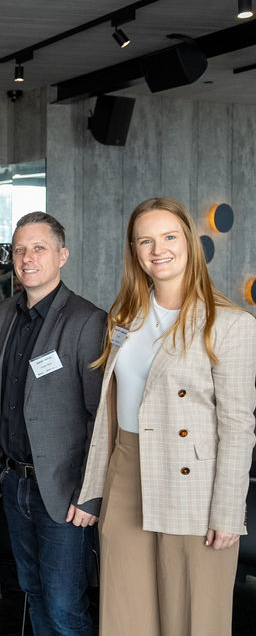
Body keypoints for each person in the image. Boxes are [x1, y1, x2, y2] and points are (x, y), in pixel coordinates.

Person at [78, 197, 256, 634]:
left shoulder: (231, 324)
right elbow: (109, 410)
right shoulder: (123, 316)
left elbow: (238, 426)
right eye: (146, 241)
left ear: (189, 243)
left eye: (169, 236)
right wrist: (94, 488)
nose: (159, 249)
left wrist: (229, 512)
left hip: (192, 481)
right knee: (125, 614)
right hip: (126, 472)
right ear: (135, 252)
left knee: (193, 617)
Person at [0, 211, 105, 636]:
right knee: (32, 592)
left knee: (66, 607)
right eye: (20, 250)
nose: (27, 258)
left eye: (39, 248)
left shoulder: (87, 320)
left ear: (62, 255)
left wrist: (89, 496)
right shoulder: (2, 316)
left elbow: (98, 417)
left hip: (64, 491)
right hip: (15, 485)